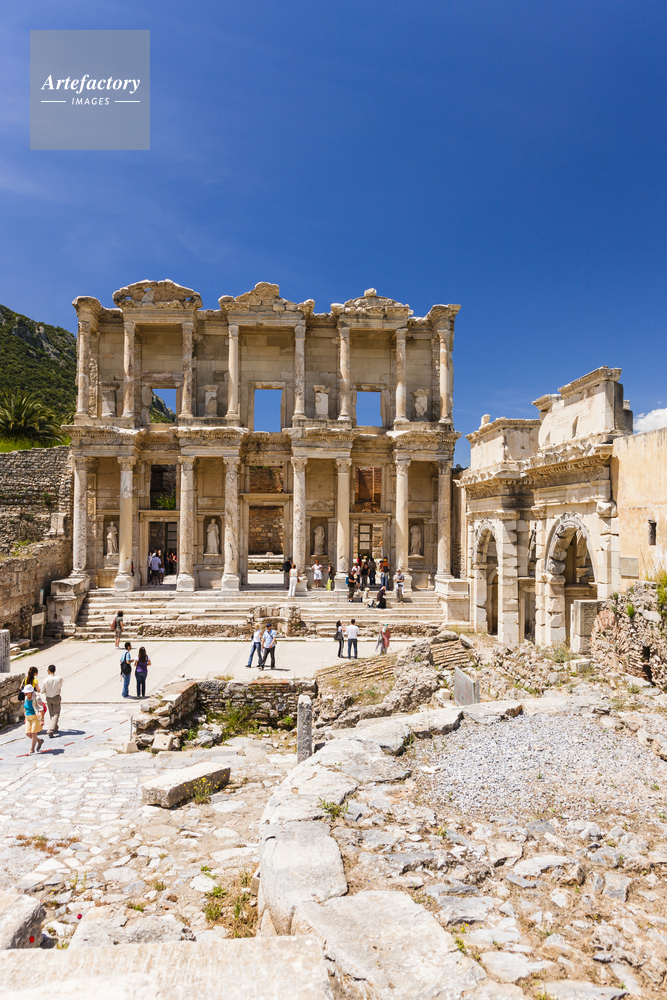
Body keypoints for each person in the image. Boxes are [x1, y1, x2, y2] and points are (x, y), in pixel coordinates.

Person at [42, 664, 63, 737]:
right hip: (56, 697)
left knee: (52, 714)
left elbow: (42, 690)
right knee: (56, 714)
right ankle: (50, 730)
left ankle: (55, 727)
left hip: (48, 698)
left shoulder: (46, 680)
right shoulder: (59, 678)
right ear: (55, 670)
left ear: (48, 670)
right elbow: (60, 685)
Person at [23, 684, 44, 753]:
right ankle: (39, 741)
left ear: (31, 692)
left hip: (35, 717)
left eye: (26, 693)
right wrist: (25, 717)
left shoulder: (37, 697)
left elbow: (41, 708)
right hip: (28, 717)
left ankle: (32, 749)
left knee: (33, 733)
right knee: (27, 733)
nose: (25, 694)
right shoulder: (26, 697)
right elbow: (25, 708)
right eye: (25, 693)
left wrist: (42, 720)